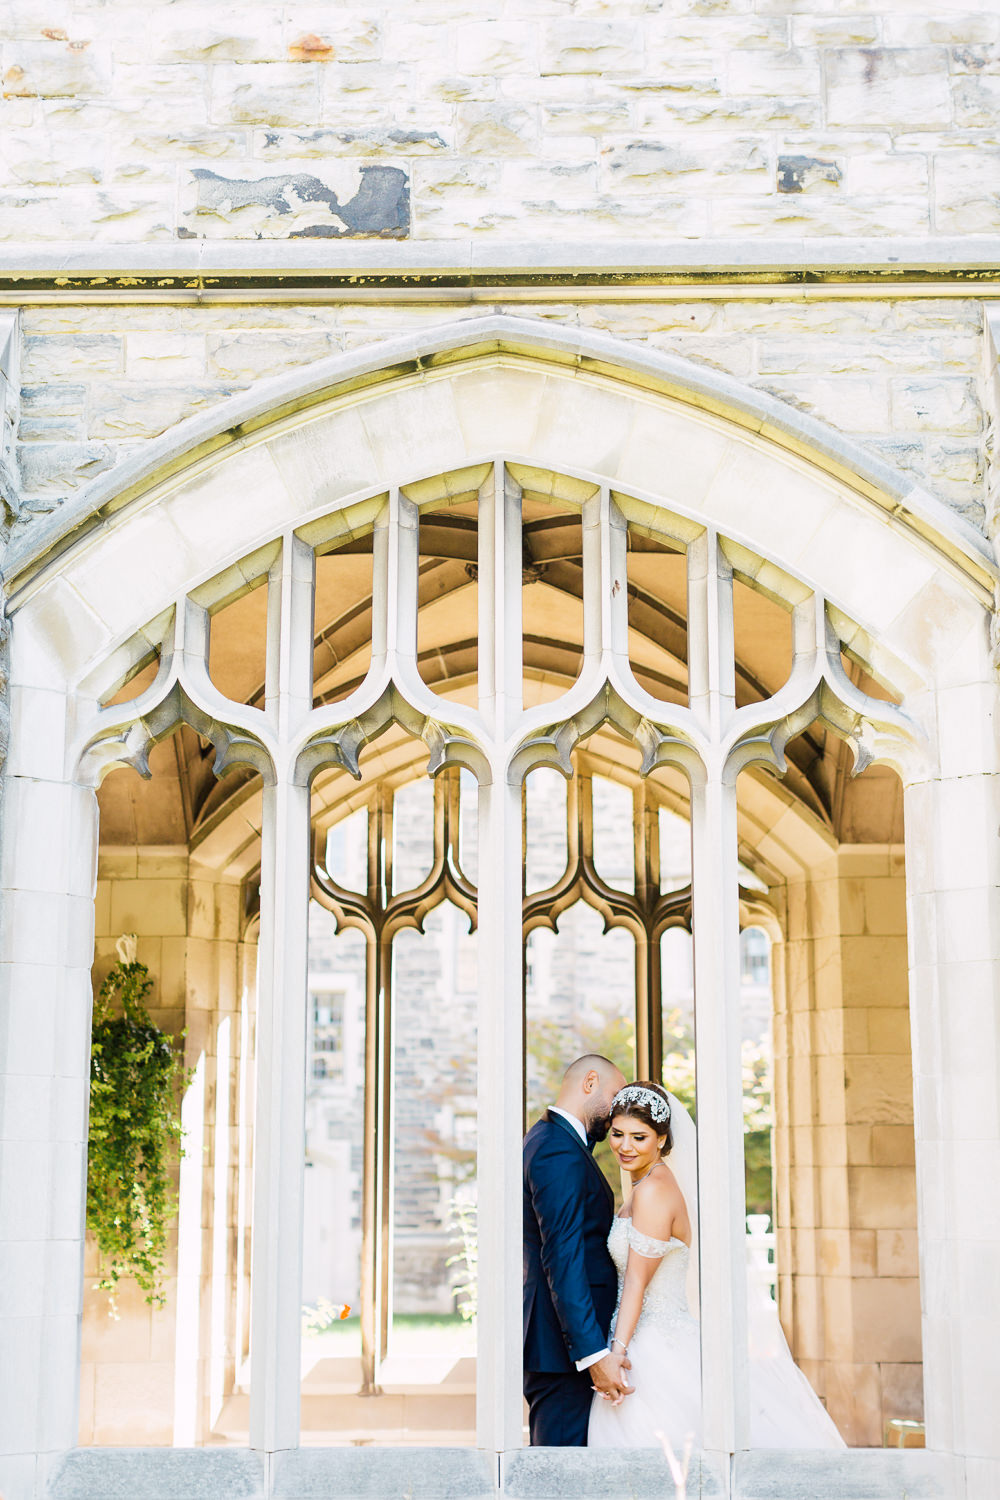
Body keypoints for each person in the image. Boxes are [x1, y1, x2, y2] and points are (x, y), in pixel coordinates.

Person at [588, 1080, 846, 1451]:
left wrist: (617, 1352)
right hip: (645, 1336)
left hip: (650, 1345)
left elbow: (636, 1282)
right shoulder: (645, 1184)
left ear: (661, 1139)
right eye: (617, 1134)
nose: (625, 1146)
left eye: (639, 1137)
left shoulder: (654, 1190)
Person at [522, 1053, 632, 1445]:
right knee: (558, 1478)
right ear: (589, 1083)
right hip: (564, 1354)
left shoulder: (553, 1141)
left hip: (563, 1349)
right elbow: (562, 1256)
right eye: (615, 1094)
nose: (619, 1110)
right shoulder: (558, 1150)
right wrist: (591, 1354)